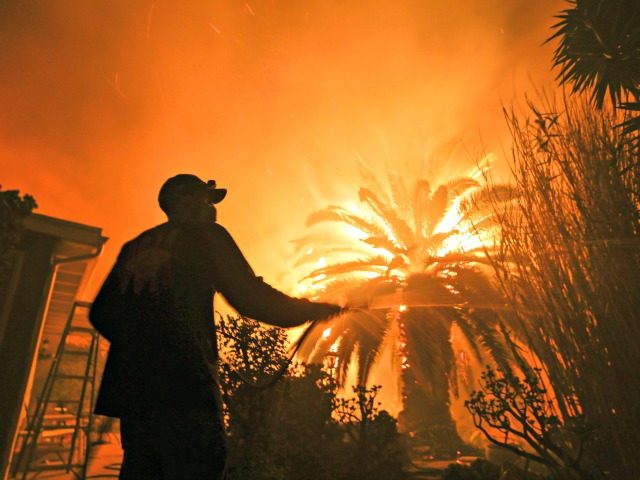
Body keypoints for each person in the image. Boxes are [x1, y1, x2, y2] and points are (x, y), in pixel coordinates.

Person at [89, 174, 342, 479]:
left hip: (138, 400)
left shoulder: (136, 247)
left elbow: (102, 314)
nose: (212, 209)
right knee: (200, 465)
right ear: (184, 201)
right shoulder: (206, 237)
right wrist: (314, 310)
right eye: (206, 199)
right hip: (187, 387)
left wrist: (145, 343)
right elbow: (250, 297)